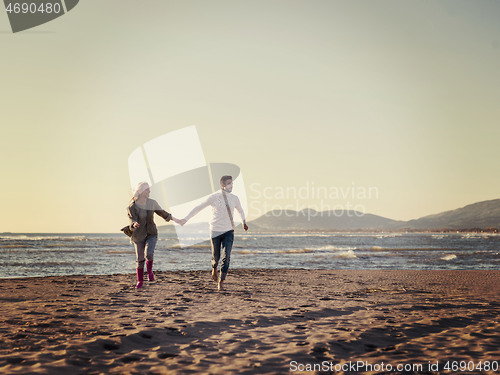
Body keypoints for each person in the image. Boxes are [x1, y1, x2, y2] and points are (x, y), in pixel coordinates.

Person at [179, 175, 248, 290]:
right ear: (223, 185)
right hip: (215, 230)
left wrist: (243, 222)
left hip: (229, 231)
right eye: (229, 183)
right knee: (216, 256)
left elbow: (240, 211)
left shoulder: (235, 198)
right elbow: (198, 207)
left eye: (232, 183)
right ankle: (214, 267)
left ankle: (221, 281)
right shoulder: (214, 197)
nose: (231, 185)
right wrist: (186, 219)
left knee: (227, 257)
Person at [127, 182, 179, 289]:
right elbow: (131, 219)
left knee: (149, 254)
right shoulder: (132, 207)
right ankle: (140, 281)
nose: (149, 192)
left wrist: (176, 219)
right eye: (147, 190)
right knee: (140, 259)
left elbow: (162, 213)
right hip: (138, 235)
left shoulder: (152, 203)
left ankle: (150, 272)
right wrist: (134, 224)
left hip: (151, 233)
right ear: (141, 191)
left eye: (149, 190)